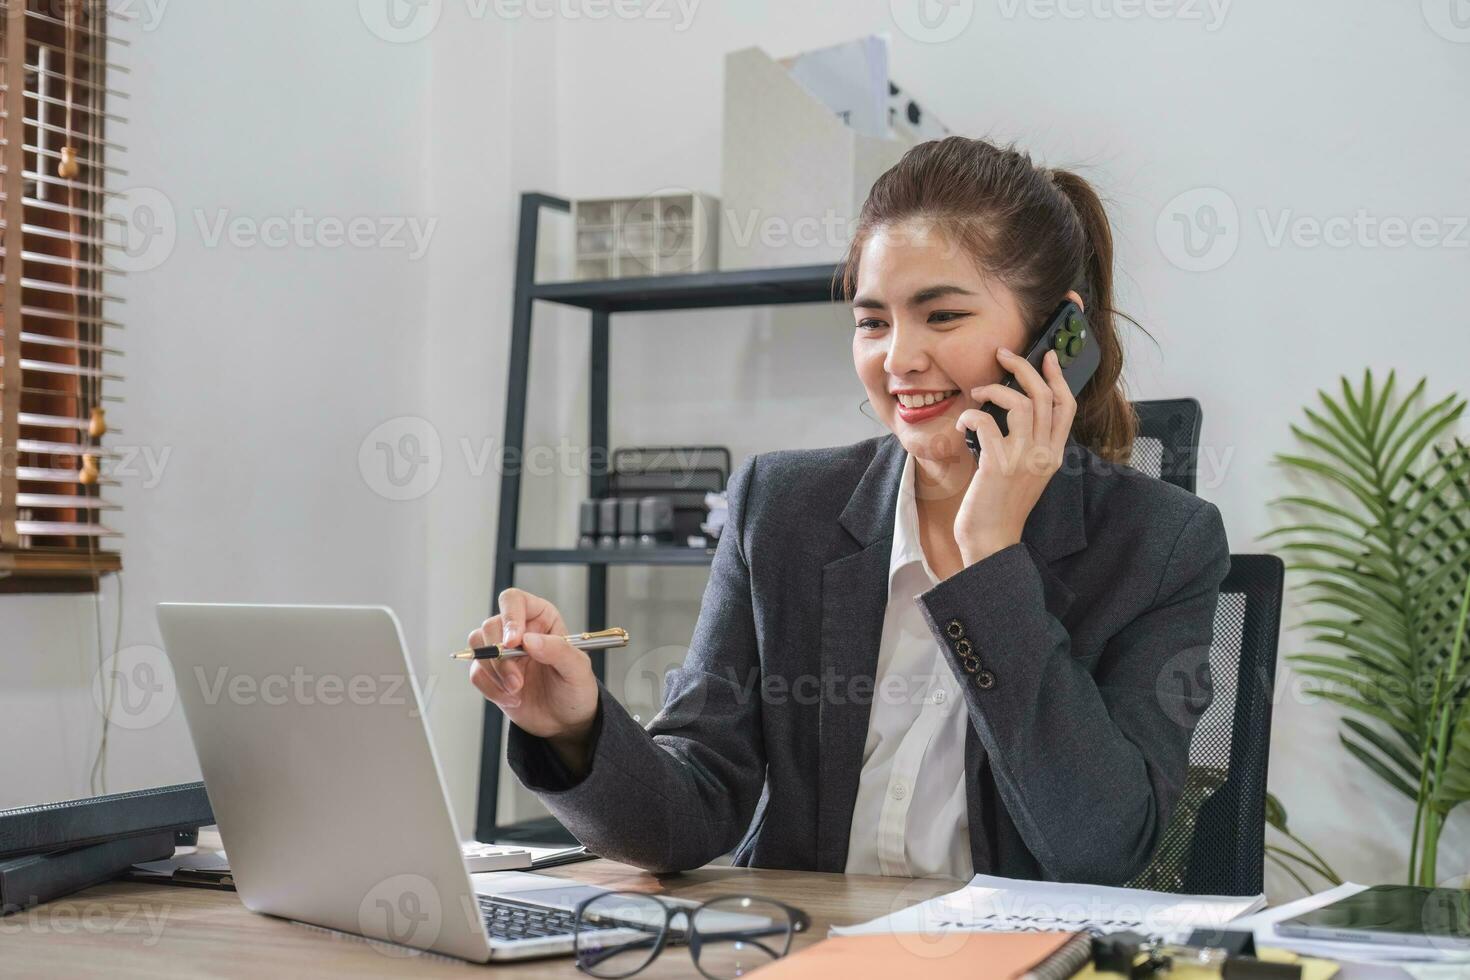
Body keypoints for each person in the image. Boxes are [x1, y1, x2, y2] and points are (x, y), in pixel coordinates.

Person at [467, 136, 1230, 884]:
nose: (897, 358)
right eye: (872, 321)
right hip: (806, 951)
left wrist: (992, 559)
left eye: (942, 316)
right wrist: (571, 727)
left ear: (1056, 338)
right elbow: (696, 803)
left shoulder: (1159, 546)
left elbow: (1102, 846)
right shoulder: (784, 509)